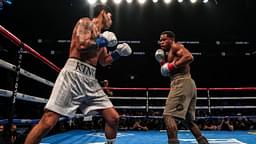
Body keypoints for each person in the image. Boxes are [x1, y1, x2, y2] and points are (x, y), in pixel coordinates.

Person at [24, 3, 132, 144]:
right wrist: (103, 41)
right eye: (111, 17)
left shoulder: (101, 36)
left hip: (90, 79)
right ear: (104, 13)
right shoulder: (86, 22)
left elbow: (104, 61)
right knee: (48, 121)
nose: (112, 21)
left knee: (113, 118)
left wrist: (118, 53)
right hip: (73, 74)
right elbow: (82, 45)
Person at [155, 31, 208, 144]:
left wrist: (172, 65)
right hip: (186, 83)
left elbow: (189, 57)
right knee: (188, 121)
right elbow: (168, 72)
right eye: (160, 40)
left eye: (164, 39)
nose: (162, 42)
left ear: (171, 39)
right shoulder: (170, 52)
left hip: (181, 82)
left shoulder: (176, 46)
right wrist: (162, 63)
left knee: (168, 116)